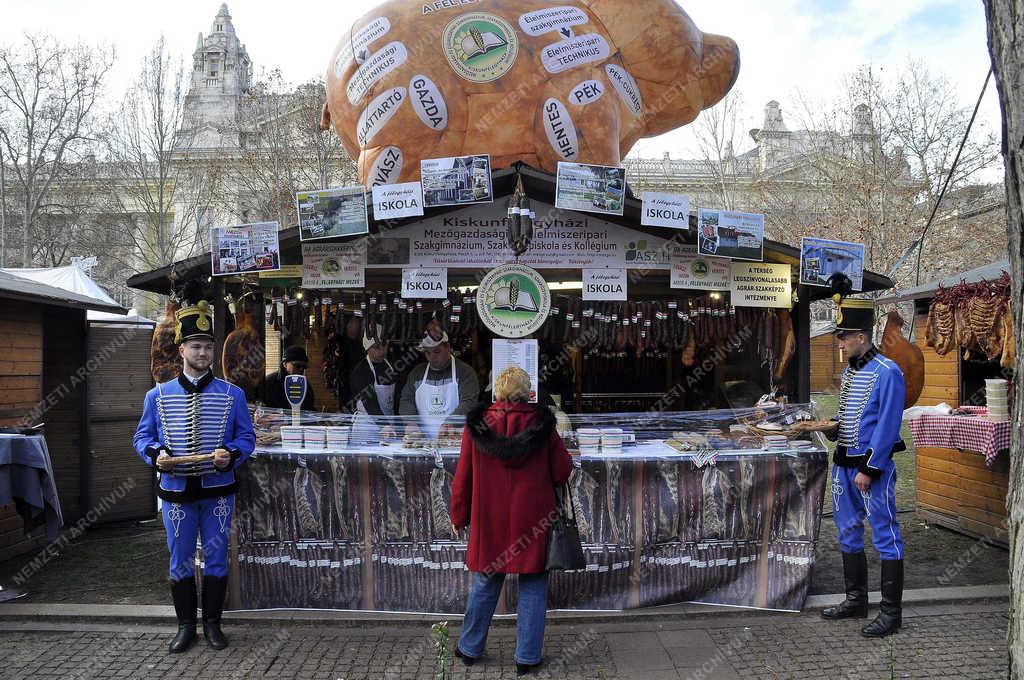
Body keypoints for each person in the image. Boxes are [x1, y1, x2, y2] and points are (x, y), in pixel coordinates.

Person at [133, 299, 255, 653]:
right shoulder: (156, 395)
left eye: (208, 347)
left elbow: (245, 438)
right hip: (175, 491)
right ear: (182, 349)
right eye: (196, 346)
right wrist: (158, 455)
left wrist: (230, 454)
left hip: (218, 490)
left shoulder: (233, 395)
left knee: (216, 558)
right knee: (180, 557)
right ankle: (185, 626)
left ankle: (213, 625)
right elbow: (143, 437)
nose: (202, 353)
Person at [450, 366, 574, 675]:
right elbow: (561, 472)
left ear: (497, 392)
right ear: (528, 392)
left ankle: (469, 649)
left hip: (488, 517)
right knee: (533, 583)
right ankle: (527, 658)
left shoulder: (477, 425)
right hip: (533, 519)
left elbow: (463, 476)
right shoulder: (543, 424)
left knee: (485, 580)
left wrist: (458, 514)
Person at [808, 298, 906, 637]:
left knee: (885, 534)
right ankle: (856, 600)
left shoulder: (888, 372)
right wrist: (830, 426)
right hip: (844, 464)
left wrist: (870, 468)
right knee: (847, 530)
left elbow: (888, 425)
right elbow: (852, 418)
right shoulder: (851, 371)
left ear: (861, 337)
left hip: (870, 469)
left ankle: (891, 614)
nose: (840, 343)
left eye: (843, 337)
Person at [398, 327, 479, 439]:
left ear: (448, 348)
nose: (432, 357)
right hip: (422, 441)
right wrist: (411, 422)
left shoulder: (465, 372)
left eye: (436, 351)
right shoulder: (417, 373)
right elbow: (406, 399)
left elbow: (469, 402)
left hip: (454, 438)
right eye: (427, 353)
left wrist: (450, 423)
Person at [349, 323, 403, 415]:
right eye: (377, 347)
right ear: (367, 347)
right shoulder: (361, 371)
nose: (382, 350)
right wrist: (386, 427)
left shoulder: (393, 366)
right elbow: (370, 404)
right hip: (368, 425)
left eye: (384, 345)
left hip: (389, 421)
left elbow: (399, 397)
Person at [258, 345, 316, 411]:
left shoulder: (305, 386)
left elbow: (309, 408)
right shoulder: (269, 382)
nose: (301, 369)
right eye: (297, 366)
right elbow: (260, 408)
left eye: (304, 367)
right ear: (285, 364)